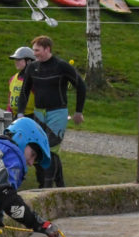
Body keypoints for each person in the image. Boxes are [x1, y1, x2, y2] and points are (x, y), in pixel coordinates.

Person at [15, 35, 87, 189]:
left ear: (47, 49)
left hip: (58, 112)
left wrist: (78, 111)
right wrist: (20, 113)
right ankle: (58, 185)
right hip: (39, 113)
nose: (34, 54)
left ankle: (47, 187)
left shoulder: (61, 66)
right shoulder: (32, 67)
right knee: (40, 148)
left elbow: (81, 86)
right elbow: (24, 92)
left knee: (49, 148)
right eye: (34, 50)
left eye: (37, 50)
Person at [7, 46, 35, 116]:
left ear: (28, 61)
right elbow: (10, 101)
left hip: (31, 116)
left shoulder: (34, 79)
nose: (16, 62)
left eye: (19, 59)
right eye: (15, 60)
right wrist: (8, 113)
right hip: (16, 116)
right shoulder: (13, 78)